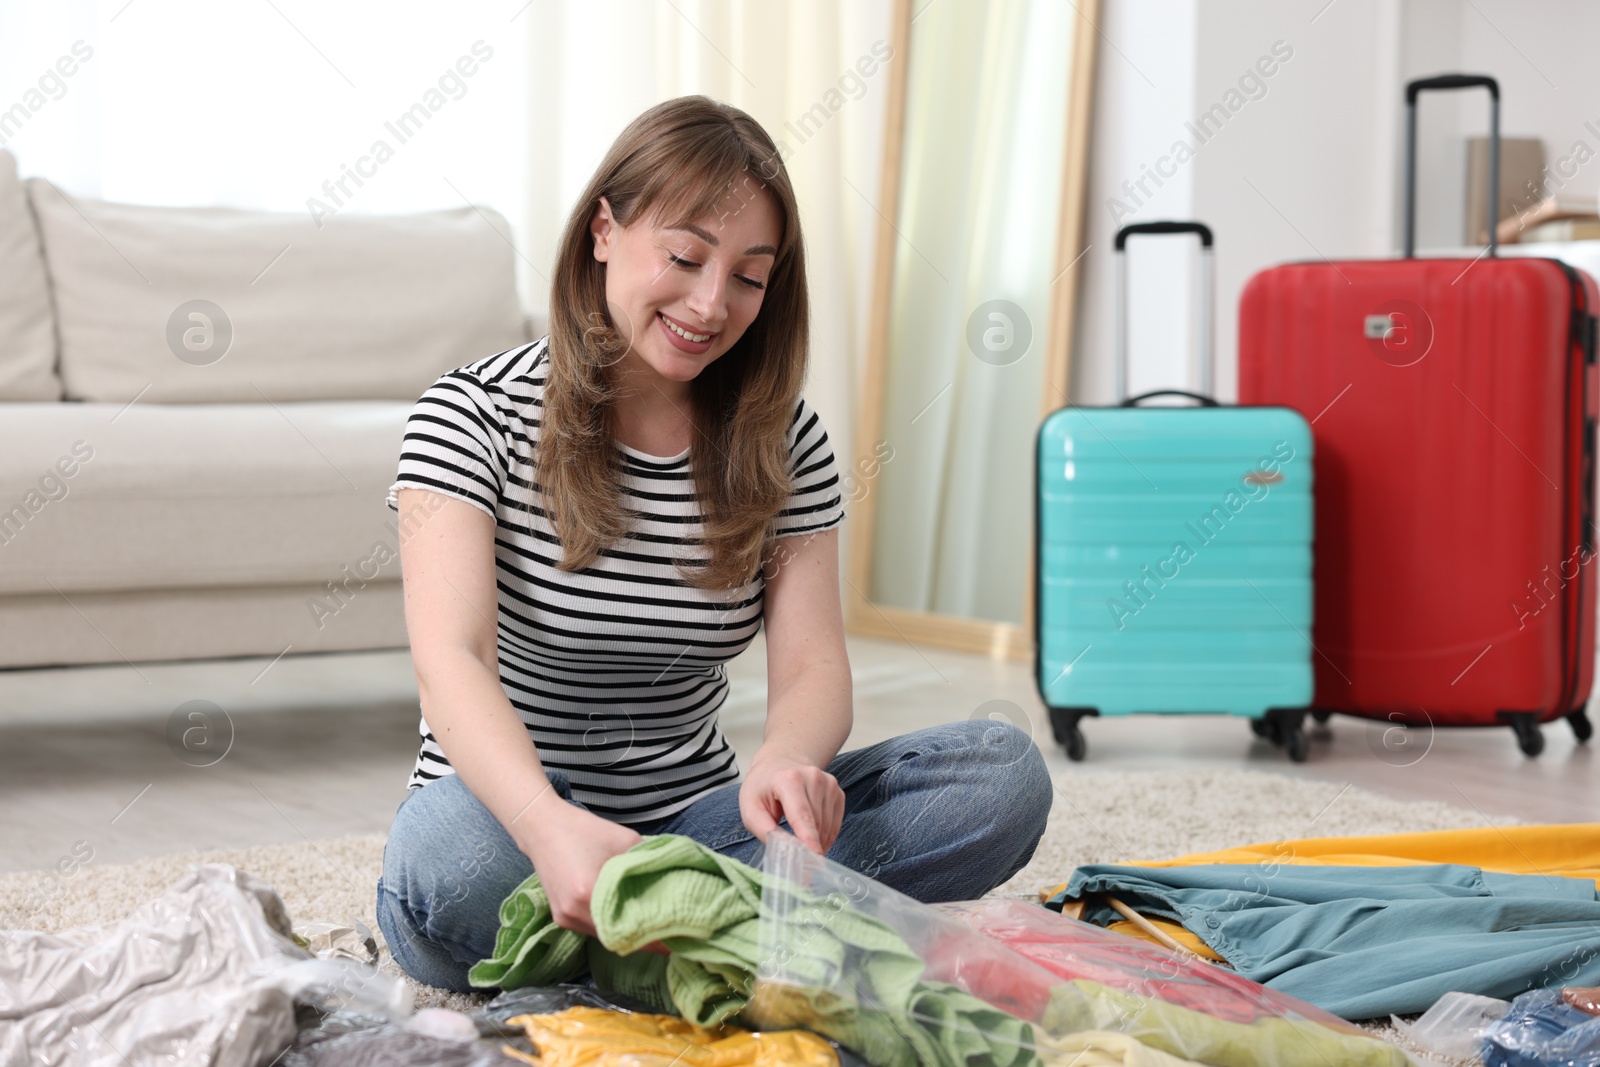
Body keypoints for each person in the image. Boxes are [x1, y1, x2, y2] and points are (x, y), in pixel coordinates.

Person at [375, 94, 1052, 993]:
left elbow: (813, 668)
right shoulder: (469, 415)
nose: (710, 303)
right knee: (446, 860)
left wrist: (782, 762)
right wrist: (547, 825)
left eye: (748, 275)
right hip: (514, 832)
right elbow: (449, 659)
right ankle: (720, 944)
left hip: (699, 835)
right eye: (686, 256)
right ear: (603, 232)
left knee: (1001, 777)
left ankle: (648, 949)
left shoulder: (786, 442)